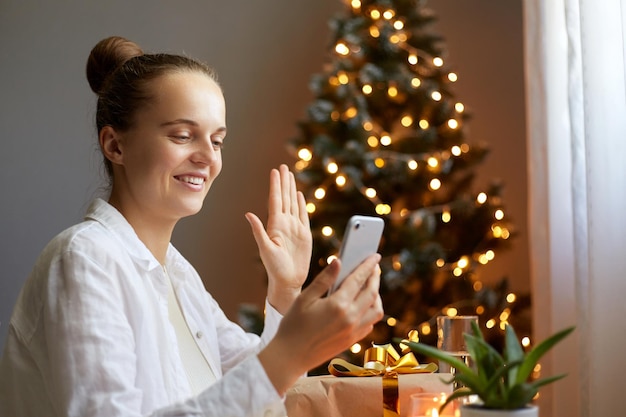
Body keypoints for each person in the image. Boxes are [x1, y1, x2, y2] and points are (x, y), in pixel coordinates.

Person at [0, 36, 384, 417]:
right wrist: (289, 352)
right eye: (182, 136)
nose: (206, 158)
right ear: (115, 145)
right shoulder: (84, 260)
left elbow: (257, 390)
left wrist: (285, 291)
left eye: (217, 141)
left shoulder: (178, 276)